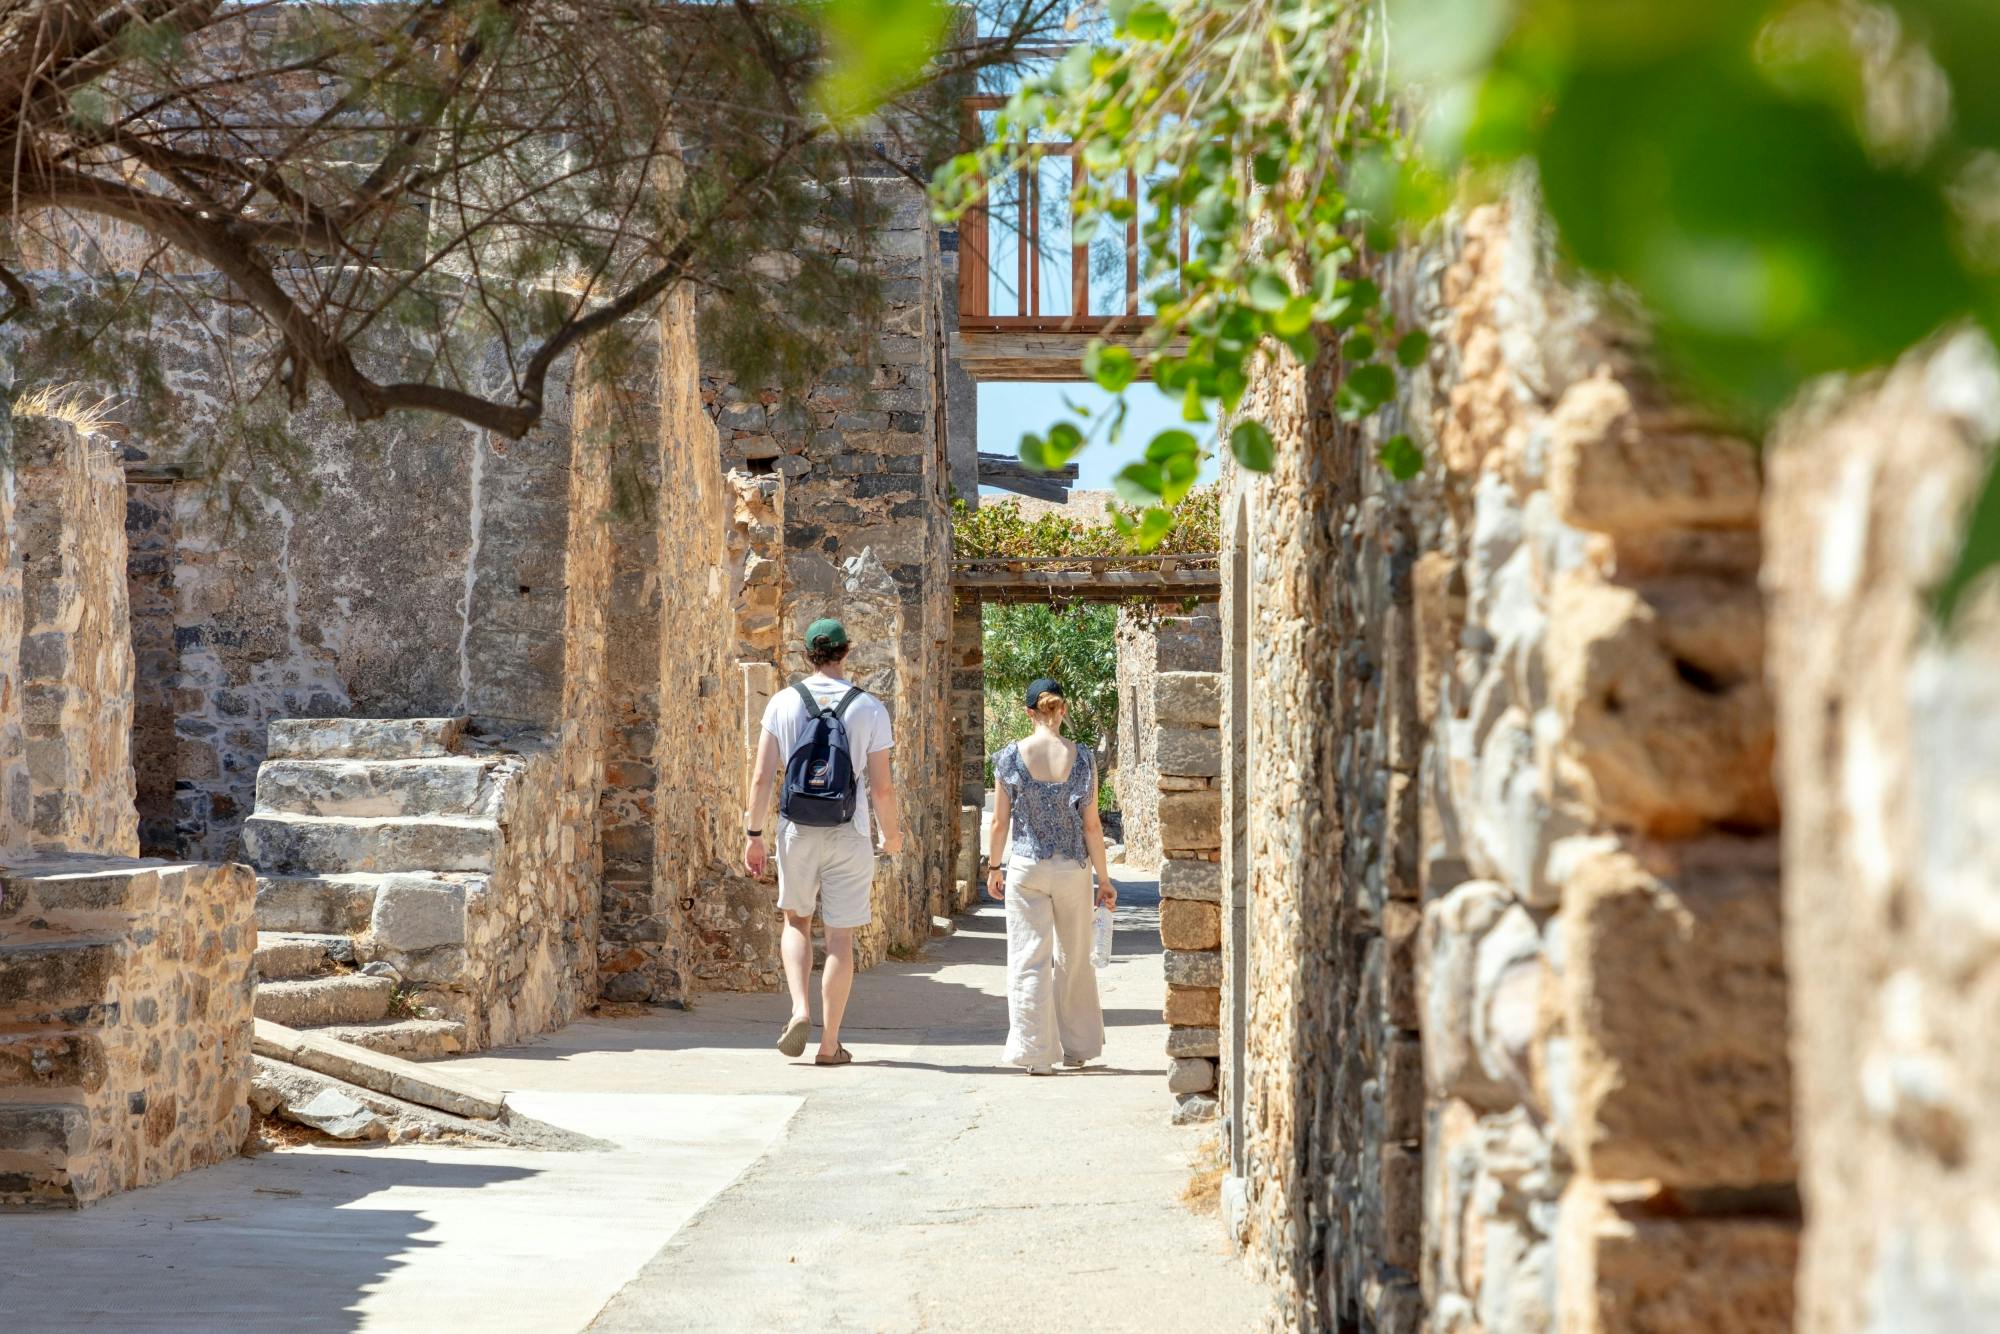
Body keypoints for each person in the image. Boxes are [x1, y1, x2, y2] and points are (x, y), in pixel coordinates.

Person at [743, 618, 901, 1066]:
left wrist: (754, 835)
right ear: (845, 652)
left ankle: (798, 1009)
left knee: (796, 921)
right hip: (848, 830)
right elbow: (882, 787)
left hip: (796, 829)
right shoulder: (869, 707)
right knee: (840, 939)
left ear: (806, 652)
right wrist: (891, 836)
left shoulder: (783, 703)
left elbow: (761, 777)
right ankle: (830, 1043)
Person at [986, 677, 1116, 1075]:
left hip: (1026, 866)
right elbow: (1092, 826)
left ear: (1030, 712)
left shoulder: (1010, 757)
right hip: (1072, 868)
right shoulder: (1082, 760)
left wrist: (994, 867)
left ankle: (1036, 1053)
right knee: (1075, 957)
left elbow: (999, 821)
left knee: (1028, 958)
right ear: (1063, 709)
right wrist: (1105, 880)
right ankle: (1077, 1047)